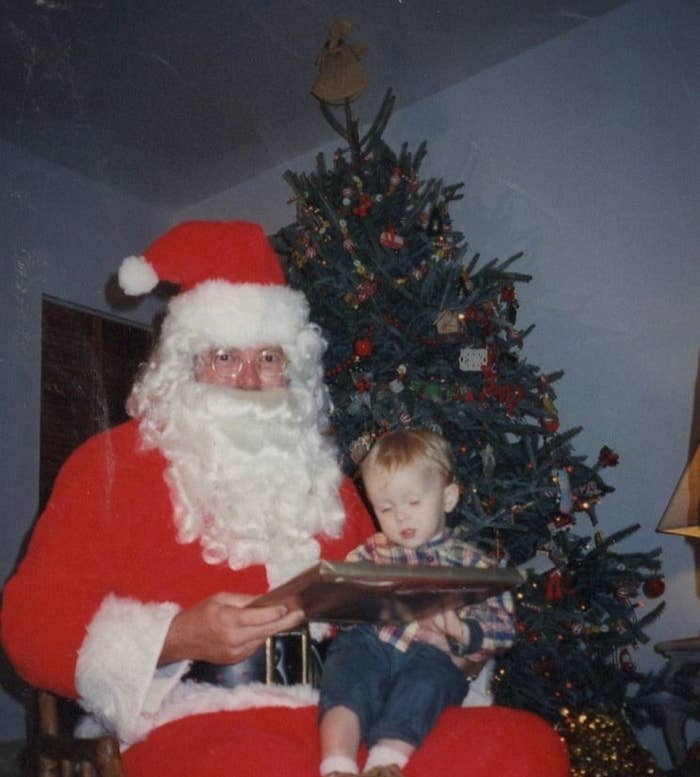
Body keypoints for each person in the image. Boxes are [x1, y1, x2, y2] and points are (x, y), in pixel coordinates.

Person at [0, 221, 570, 777]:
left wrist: (454, 642)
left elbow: (388, 608)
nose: (249, 379)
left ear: (291, 370)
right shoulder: (110, 466)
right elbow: (30, 630)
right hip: (192, 719)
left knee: (521, 746)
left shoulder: (334, 487)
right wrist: (176, 637)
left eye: (268, 357)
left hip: (348, 715)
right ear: (186, 365)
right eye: (226, 356)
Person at [318, 429, 516, 777]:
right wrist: (351, 604)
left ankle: (385, 761)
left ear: (448, 498)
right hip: (372, 645)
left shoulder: (474, 564)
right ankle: (337, 763)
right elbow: (340, 606)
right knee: (346, 677)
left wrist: (464, 631)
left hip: (431, 656)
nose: (401, 517)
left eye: (414, 503)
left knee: (429, 684)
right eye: (386, 508)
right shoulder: (371, 551)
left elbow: (503, 626)